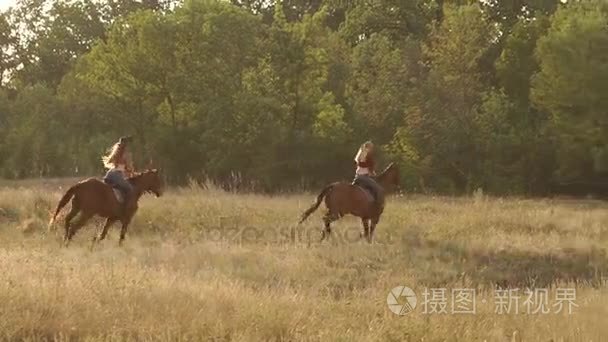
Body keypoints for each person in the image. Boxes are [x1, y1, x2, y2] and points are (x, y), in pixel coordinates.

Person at [102, 136, 135, 213]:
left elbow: (120, 165)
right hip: (117, 175)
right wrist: (132, 172)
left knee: (118, 190)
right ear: (126, 145)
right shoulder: (126, 154)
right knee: (130, 189)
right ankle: (124, 210)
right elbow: (128, 167)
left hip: (109, 174)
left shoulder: (116, 152)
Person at [353, 141, 383, 210]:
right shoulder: (366, 155)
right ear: (368, 147)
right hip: (364, 177)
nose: (372, 149)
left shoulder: (361, 154)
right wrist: (372, 172)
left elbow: (361, 165)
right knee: (378, 189)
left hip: (357, 176)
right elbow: (366, 166)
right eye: (371, 147)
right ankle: (377, 206)